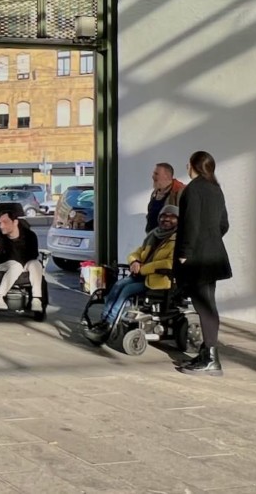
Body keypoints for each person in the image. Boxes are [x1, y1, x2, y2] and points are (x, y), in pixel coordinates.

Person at [175, 151, 231, 377]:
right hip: (213, 257)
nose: (186, 166)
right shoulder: (215, 189)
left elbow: (190, 225)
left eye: (188, 162)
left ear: (194, 166)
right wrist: (211, 241)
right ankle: (207, 353)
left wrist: (184, 253)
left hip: (197, 259)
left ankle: (210, 359)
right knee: (207, 305)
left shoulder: (193, 189)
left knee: (205, 307)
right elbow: (224, 224)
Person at [86, 205, 178, 340]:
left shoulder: (177, 239)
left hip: (159, 280)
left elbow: (169, 263)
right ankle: (104, 320)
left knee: (126, 290)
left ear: (178, 220)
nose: (166, 219)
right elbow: (136, 253)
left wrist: (144, 268)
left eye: (171, 217)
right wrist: (134, 262)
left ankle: (110, 323)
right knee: (118, 285)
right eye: (163, 216)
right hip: (141, 275)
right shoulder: (154, 235)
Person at [0, 208, 44, 311]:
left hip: (24, 263)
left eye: (5, 222)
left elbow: (33, 254)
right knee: (16, 266)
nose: (1, 225)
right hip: (2, 265)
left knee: (36, 264)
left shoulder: (30, 236)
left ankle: (36, 299)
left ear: (15, 222)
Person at [146, 163, 185, 233]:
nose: (153, 176)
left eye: (156, 174)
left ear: (166, 176)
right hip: (154, 238)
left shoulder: (180, 192)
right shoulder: (155, 193)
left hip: (170, 240)